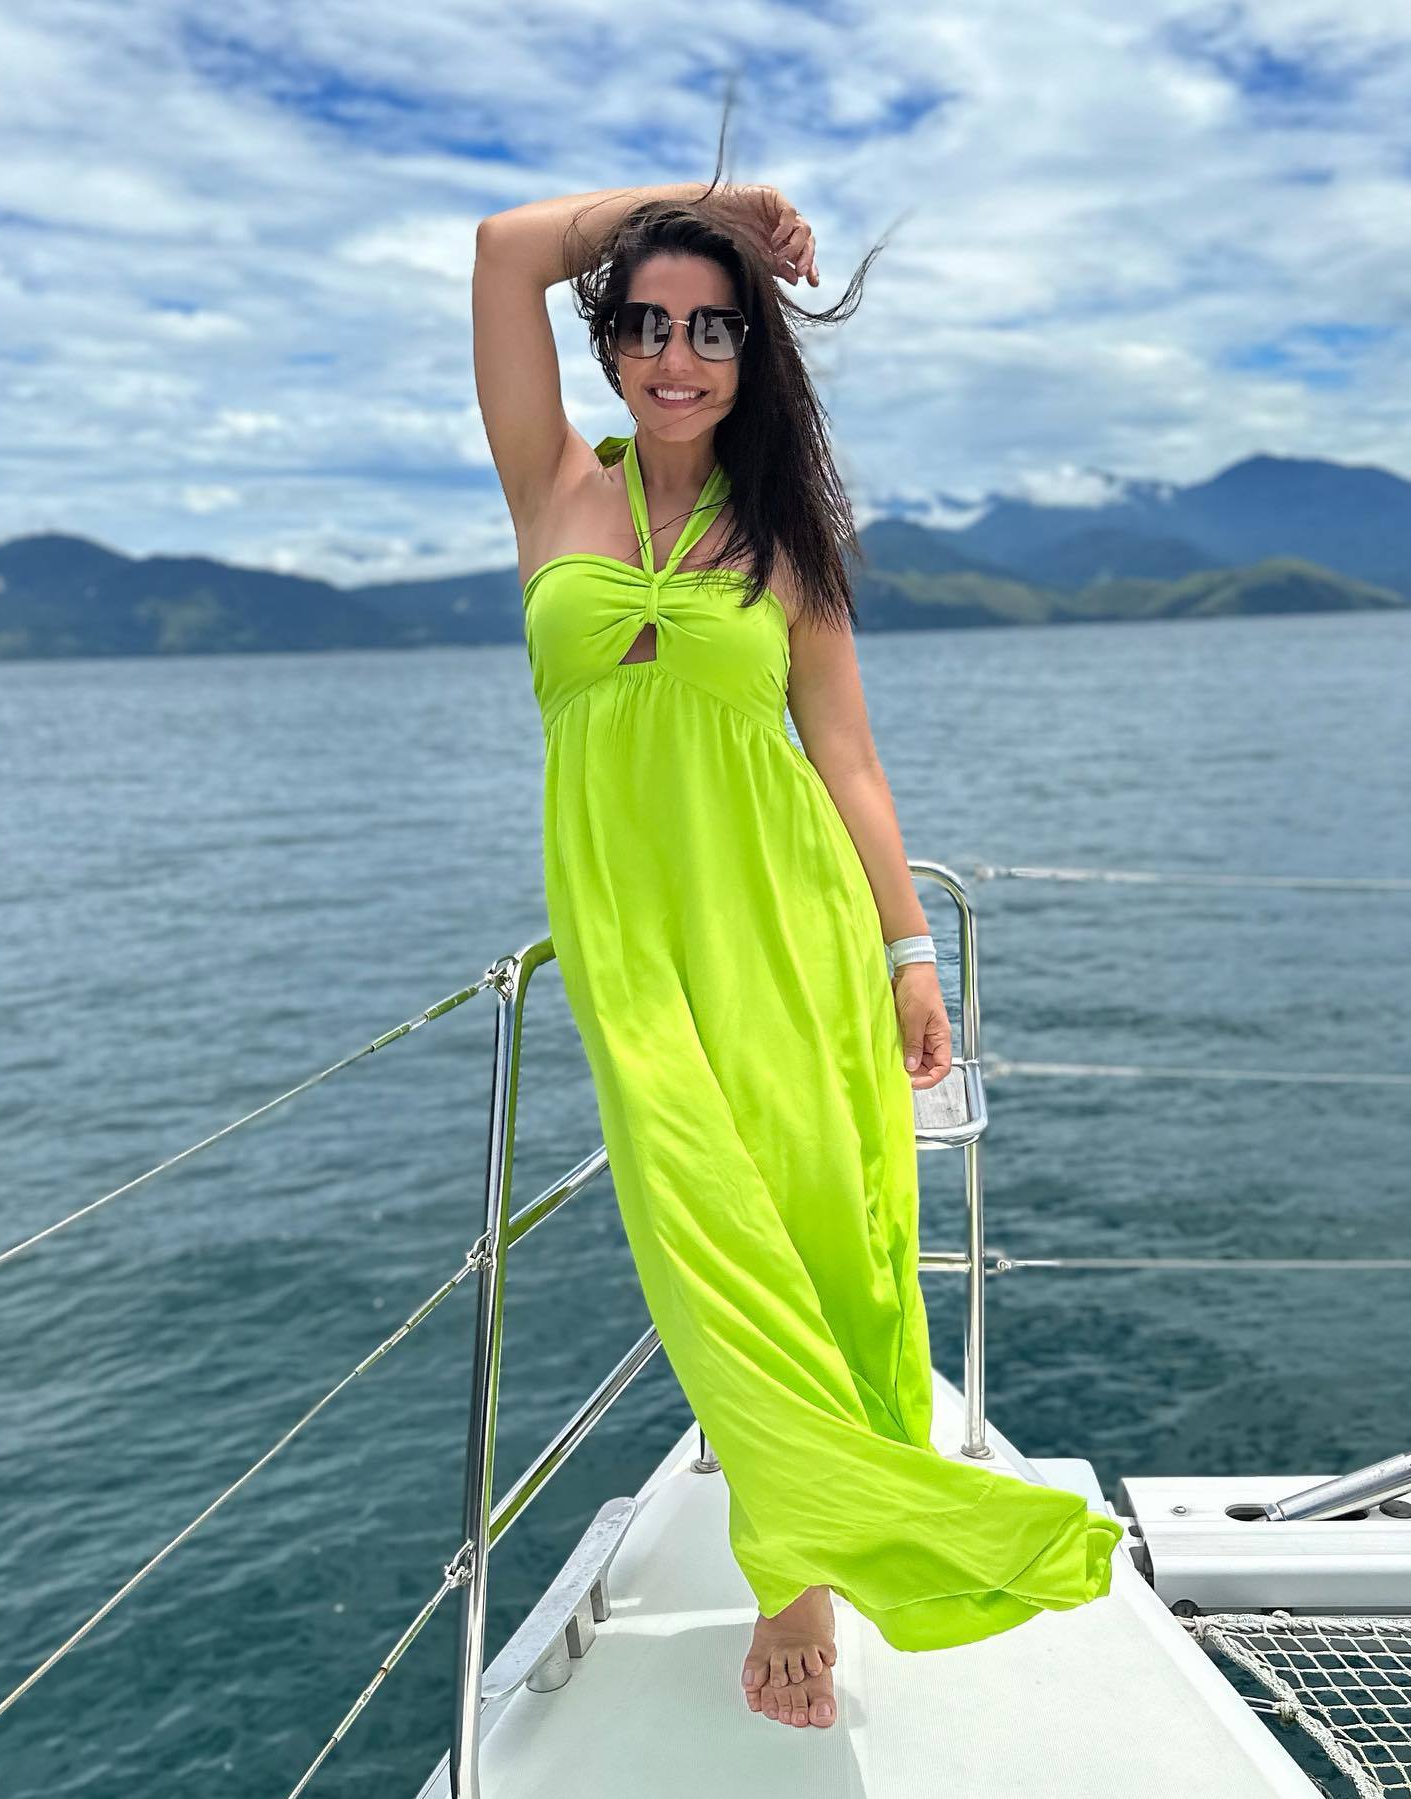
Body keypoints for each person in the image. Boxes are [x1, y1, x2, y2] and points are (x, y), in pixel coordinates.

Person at [471, 157, 1121, 1736]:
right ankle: (847, 1524)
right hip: (634, 951)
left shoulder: (781, 535)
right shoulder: (551, 483)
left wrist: (910, 953)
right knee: (707, 1247)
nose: (677, 356)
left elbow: (847, 758)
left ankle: (794, 1576)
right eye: (648, 323)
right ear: (608, 340)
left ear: (753, 355)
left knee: (818, 1245)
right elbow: (501, 250)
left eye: (715, 327)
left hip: (791, 933)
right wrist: (717, 209)